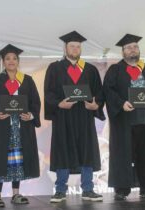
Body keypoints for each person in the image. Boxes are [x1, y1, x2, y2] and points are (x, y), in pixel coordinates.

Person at [44, 31, 105, 203]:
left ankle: (88, 189)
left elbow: (99, 93)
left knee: (86, 151)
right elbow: (48, 93)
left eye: (78, 46)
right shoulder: (55, 68)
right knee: (63, 150)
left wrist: (95, 105)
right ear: (65, 48)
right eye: (72, 46)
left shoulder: (90, 69)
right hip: (63, 116)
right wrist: (58, 103)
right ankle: (60, 190)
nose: (75, 49)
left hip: (84, 116)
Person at [103, 34, 145, 200]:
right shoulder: (115, 70)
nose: (133, 50)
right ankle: (122, 189)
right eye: (129, 48)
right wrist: (121, 103)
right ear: (123, 52)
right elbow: (108, 91)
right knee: (123, 155)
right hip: (125, 120)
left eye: (135, 47)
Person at [0, 44, 41, 207]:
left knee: (18, 160)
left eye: (14, 58)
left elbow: (35, 102)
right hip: (2, 125)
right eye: (7, 58)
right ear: (3, 61)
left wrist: (31, 115)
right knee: (0, 158)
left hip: (21, 126)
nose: (11, 61)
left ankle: (16, 194)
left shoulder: (27, 80)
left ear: (18, 61)